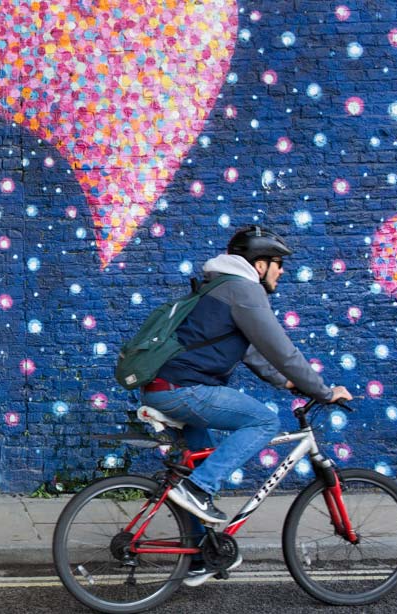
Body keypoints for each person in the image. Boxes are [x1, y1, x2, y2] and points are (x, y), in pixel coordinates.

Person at [140, 225, 352, 586]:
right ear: (259, 263)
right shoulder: (244, 290)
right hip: (185, 390)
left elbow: (253, 350)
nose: (282, 271)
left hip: (167, 387)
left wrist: (286, 383)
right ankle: (197, 489)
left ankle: (197, 558)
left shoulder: (222, 286)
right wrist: (322, 390)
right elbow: (280, 347)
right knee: (264, 422)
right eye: (278, 263)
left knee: (202, 461)